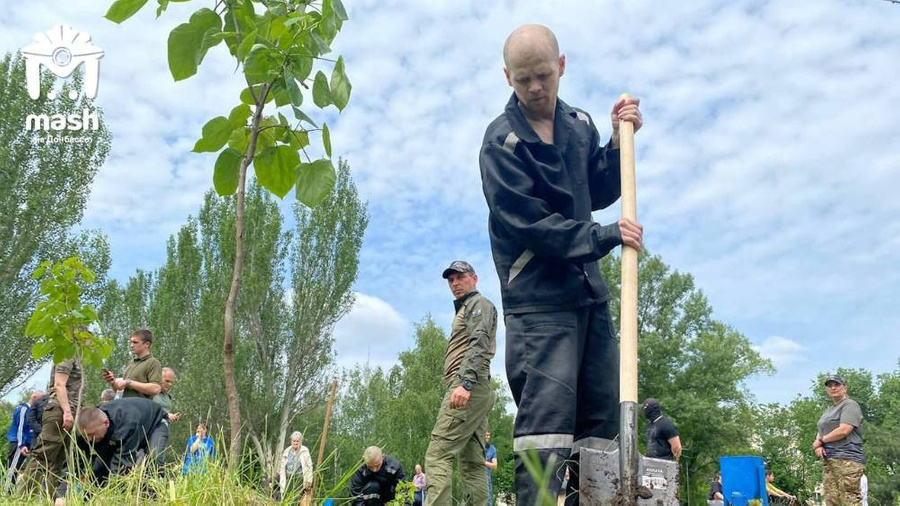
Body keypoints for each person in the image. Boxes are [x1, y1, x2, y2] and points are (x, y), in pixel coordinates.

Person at [479, 23, 643, 503]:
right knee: (546, 433)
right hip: (538, 303)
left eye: (543, 76)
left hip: (587, 295)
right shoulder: (501, 143)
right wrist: (604, 235)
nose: (534, 88)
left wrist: (616, 143)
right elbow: (531, 226)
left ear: (562, 67)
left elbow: (599, 187)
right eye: (523, 78)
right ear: (507, 77)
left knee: (600, 425)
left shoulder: (578, 123)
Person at [424, 260, 498, 506]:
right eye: (451, 279)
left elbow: (479, 341)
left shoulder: (478, 304)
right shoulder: (468, 308)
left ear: (474, 278)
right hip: (476, 387)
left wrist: (465, 383)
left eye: (460, 277)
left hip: (468, 384)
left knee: (437, 455)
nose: (455, 283)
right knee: (472, 462)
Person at [18, 358, 84, 498]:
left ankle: (50, 498)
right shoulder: (67, 353)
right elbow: (59, 384)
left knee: (58, 462)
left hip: (69, 412)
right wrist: (66, 411)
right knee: (42, 456)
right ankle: (23, 498)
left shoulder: (77, 356)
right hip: (59, 411)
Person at [76, 397, 168, 484]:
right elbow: (75, 463)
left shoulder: (126, 425)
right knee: (101, 466)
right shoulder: (87, 430)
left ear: (106, 423)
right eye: (86, 435)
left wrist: (112, 492)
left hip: (156, 423)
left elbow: (123, 464)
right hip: (131, 427)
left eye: (92, 435)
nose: (89, 439)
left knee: (154, 458)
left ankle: (156, 491)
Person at [813, 374, 866, 505]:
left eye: (837, 384)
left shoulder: (850, 405)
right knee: (832, 500)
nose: (833, 388)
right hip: (829, 459)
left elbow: (844, 430)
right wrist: (819, 445)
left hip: (847, 459)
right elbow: (822, 430)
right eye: (830, 385)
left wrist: (821, 441)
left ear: (845, 388)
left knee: (849, 498)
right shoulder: (829, 410)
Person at [103, 329, 162, 399]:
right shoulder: (130, 363)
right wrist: (113, 383)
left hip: (141, 407)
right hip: (126, 406)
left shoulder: (153, 362)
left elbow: (155, 389)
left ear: (147, 344)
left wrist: (128, 382)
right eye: (131, 342)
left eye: (135, 342)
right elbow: (120, 390)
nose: (131, 345)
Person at [5, 390, 43, 491]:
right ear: (34, 398)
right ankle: (6, 492)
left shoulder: (32, 411)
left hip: (27, 444)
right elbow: (20, 428)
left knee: (22, 469)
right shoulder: (23, 409)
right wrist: (21, 445)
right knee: (13, 469)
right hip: (19, 443)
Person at [152, 367, 182, 473]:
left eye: (171, 382)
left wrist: (171, 416)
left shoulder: (168, 397)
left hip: (161, 427)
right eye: (167, 381)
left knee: (157, 455)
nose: (169, 385)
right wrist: (166, 414)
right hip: (148, 426)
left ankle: (159, 481)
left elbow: (165, 412)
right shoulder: (150, 392)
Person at [279, 431, 313, 504]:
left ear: (300, 441)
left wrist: (309, 481)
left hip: (299, 479)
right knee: (286, 499)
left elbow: (309, 467)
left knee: (295, 500)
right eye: (294, 441)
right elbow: (282, 468)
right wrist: (281, 481)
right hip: (288, 479)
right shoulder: (286, 451)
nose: (295, 443)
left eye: (297, 441)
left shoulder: (304, 451)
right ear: (291, 441)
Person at [484, 431, 498, 506]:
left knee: (488, 498)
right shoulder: (476, 447)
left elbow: (495, 466)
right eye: (486, 435)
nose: (488, 437)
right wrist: (488, 463)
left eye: (489, 435)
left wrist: (483, 462)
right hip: (475, 475)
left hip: (486, 476)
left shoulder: (492, 449)